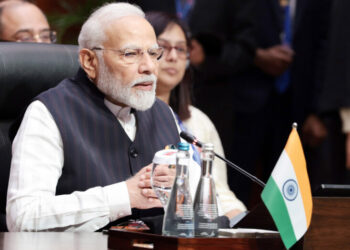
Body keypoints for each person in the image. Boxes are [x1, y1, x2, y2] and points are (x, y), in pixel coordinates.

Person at [6, 3, 184, 232]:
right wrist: (124, 195)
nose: (149, 67)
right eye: (131, 54)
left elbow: (192, 211)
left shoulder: (164, 113)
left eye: (153, 53)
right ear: (90, 61)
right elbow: (23, 217)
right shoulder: (48, 112)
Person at [146, 12, 246, 219]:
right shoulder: (128, 117)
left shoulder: (198, 120)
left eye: (181, 49)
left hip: (205, 226)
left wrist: (240, 219)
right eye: (163, 47)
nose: (173, 56)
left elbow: (220, 191)